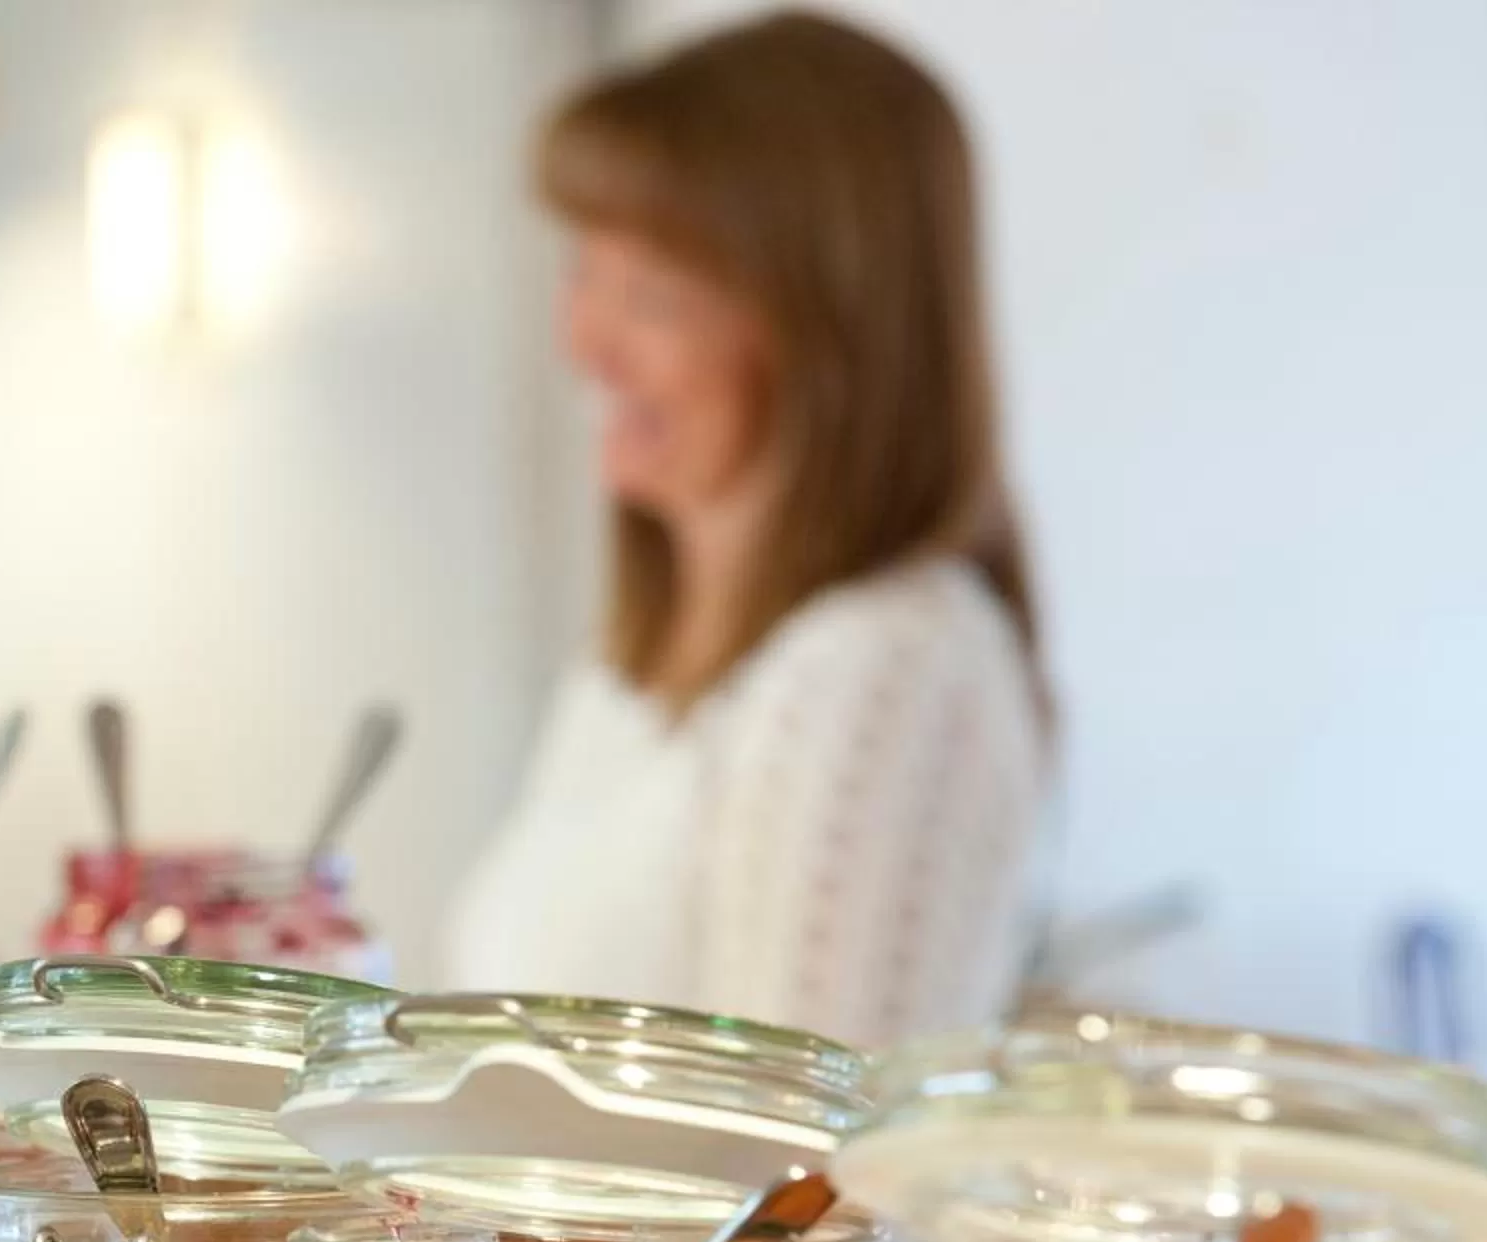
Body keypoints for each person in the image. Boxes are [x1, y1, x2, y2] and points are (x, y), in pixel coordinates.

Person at [442, 11, 1047, 1050]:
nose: (586, 342)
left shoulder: (885, 668)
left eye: (653, 296)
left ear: (831, 334)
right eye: (584, 269)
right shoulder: (636, 667)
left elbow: (805, 1188)